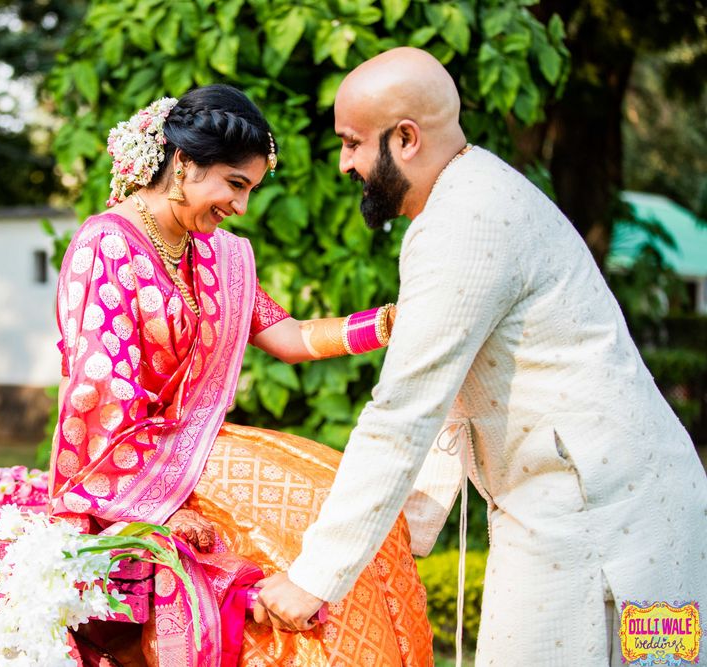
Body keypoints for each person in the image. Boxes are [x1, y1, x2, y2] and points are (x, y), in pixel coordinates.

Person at [255, 47, 707, 665]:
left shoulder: (462, 222)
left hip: (601, 514)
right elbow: (447, 397)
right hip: (610, 495)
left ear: (406, 138)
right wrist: (403, 536)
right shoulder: (472, 193)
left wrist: (313, 578)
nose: (345, 164)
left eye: (354, 143)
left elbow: (403, 412)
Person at [51, 84, 434, 666]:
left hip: (196, 447)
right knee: (302, 523)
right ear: (184, 163)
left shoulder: (211, 254)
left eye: (250, 189)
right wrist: (160, 507)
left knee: (345, 493)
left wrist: (386, 324)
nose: (242, 207)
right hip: (129, 472)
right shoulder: (107, 247)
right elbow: (99, 399)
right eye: (235, 185)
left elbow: (292, 336)